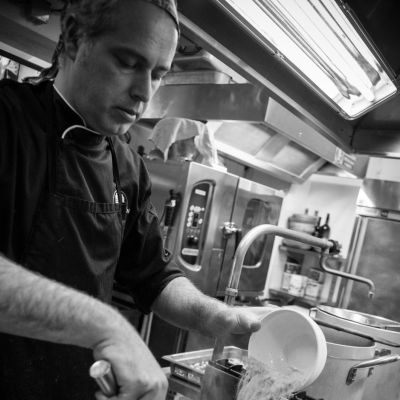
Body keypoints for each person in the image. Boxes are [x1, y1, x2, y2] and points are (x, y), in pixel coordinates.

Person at [0, 1, 263, 399]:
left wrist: (217, 317)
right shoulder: (7, 120)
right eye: (127, 62)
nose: (144, 92)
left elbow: (154, 275)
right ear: (73, 37)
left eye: (158, 74)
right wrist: (106, 325)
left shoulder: (126, 166)